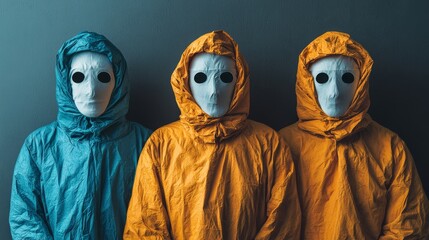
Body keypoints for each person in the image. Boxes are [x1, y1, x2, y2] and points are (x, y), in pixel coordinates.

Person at [124, 30, 301, 239]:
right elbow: (146, 223)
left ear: (240, 80)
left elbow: (282, 222)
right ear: (185, 82)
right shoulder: (161, 144)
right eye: (201, 78)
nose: (213, 91)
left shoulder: (269, 143)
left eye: (225, 77)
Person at [279, 31, 429, 239]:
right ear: (306, 83)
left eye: (347, 78)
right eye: (322, 78)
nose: (334, 92)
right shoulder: (281, 145)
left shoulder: (390, 147)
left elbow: (408, 225)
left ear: (361, 83)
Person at [9, 31, 152, 239]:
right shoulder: (38, 146)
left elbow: (154, 215)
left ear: (118, 82)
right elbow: (24, 216)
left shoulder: (146, 143)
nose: (92, 90)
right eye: (79, 77)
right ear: (66, 83)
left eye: (103, 77)